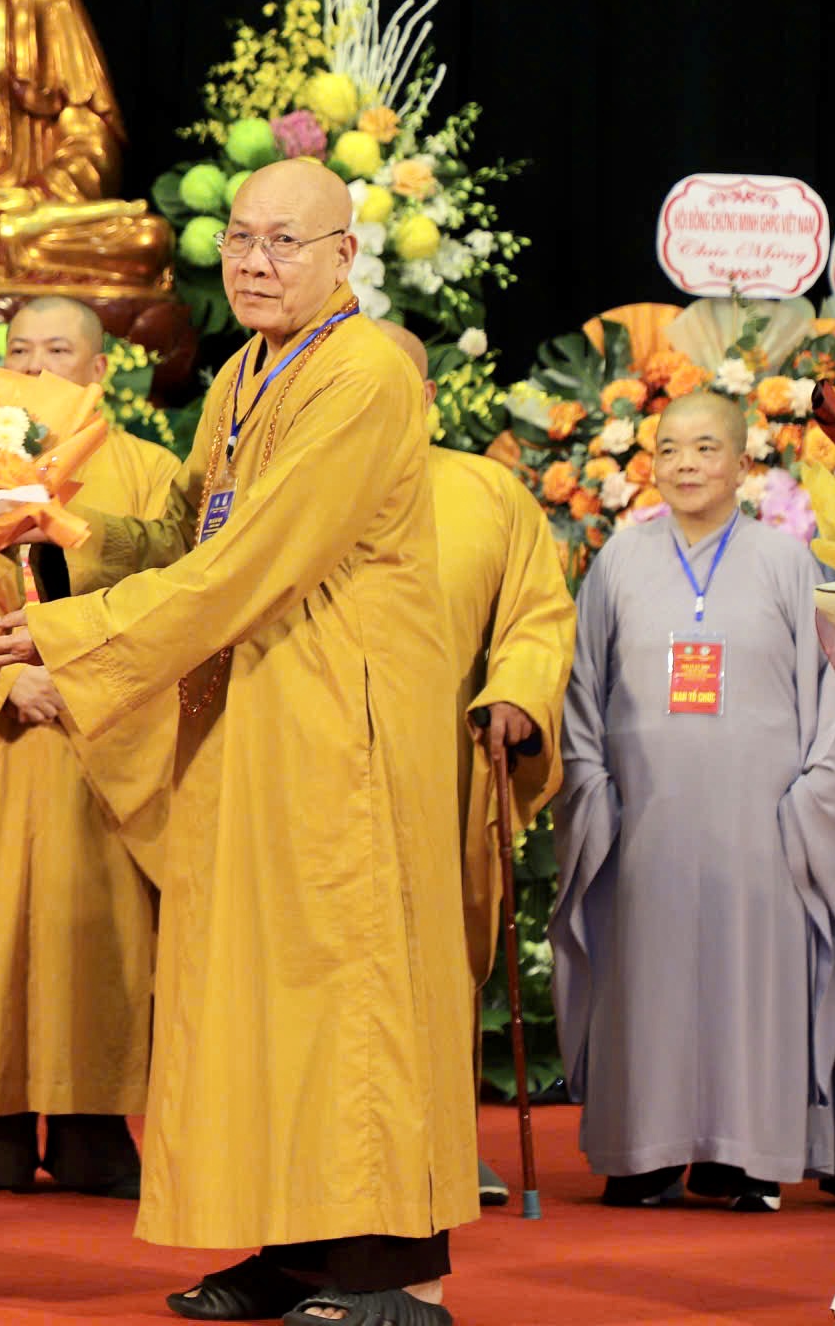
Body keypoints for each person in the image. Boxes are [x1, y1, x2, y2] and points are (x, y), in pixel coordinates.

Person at [0, 159, 475, 1324]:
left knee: (348, 980)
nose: (254, 262)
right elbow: (185, 532)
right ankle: (295, 1245)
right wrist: (55, 526)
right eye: (240, 239)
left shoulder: (361, 374)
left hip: (339, 721)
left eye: (283, 242)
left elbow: (254, 561)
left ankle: (391, 1268)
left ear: (345, 254)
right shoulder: (249, 371)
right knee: (263, 983)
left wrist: (70, 633)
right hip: (254, 712)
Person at [552, 390, 835, 1211]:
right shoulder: (617, 559)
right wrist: (592, 786)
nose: (685, 464)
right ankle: (643, 1153)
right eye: (668, 449)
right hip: (644, 819)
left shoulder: (798, 561)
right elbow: (580, 688)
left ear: (743, 462)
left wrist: (813, 790)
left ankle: (746, 1156)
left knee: (752, 983)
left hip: (761, 822)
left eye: (705, 448)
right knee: (643, 981)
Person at [0, 296, 174, 1199]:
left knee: (100, 932)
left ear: (100, 368)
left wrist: (76, 670)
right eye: (20, 351)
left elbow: (177, 595)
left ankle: (93, 1128)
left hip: (108, 738)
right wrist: (3, 679)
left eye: (58, 350)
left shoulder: (149, 473)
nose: (35, 367)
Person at [376, 319, 575, 1205]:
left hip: (436, 766)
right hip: (302, 761)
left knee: (433, 952)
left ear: (423, 398)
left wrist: (517, 694)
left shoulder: (485, 491)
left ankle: (441, 1144)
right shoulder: (284, 487)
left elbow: (537, 614)